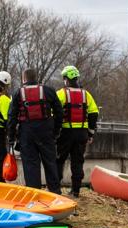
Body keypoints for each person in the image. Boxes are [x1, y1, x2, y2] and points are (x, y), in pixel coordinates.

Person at [6, 68, 63, 194]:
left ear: (24, 79)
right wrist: (56, 131)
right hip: (46, 131)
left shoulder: (17, 93)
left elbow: (11, 117)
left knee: (31, 165)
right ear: (35, 77)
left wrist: (11, 137)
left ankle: (34, 195)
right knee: (50, 162)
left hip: (27, 133)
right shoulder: (48, 91)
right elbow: (59, 112)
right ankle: (55, 193)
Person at [55, 65, 99, 198]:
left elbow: (54, 113)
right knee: (77, 162)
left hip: (65, 133)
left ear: (66, 79)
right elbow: (94, 114)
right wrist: (90, 133)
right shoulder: (86, 95)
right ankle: (75, 191)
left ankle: (56, 190)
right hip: (81, 133)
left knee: (59, 160)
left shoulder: (61, 94)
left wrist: (54, 132)